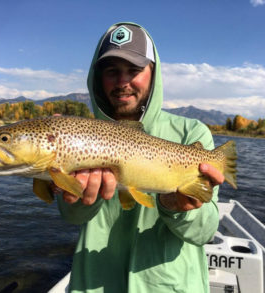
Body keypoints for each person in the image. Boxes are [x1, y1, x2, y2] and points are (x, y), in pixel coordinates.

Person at [54, 22, 224, 293]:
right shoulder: (79, 136)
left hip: (168, 286)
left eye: (134, 70)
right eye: (112, 71)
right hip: (95, 284)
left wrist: (174, 205)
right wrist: (77, 192)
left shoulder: (191, 133)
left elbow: (204, 233)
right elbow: (72, 217)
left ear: (153, 74)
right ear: (97, 78)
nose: (123, 82)